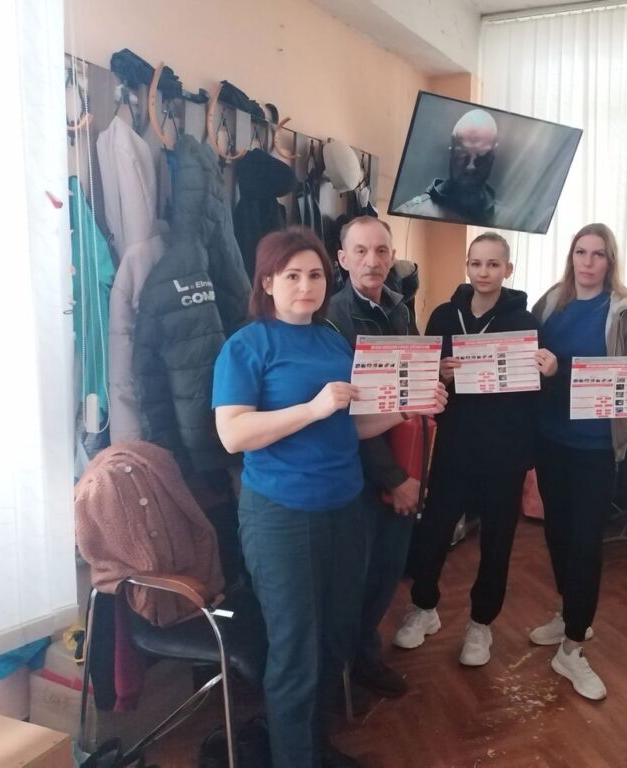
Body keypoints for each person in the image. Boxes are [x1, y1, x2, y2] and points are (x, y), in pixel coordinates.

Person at [212, 227, 445, 768]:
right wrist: (312, 409)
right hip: (282, 516)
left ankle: (313, 747)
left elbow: (351, 426)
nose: (305, 286)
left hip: (344, 508)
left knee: (336, 636)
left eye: (315, 275)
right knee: (296, 647)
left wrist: (405, 410)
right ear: (267, 282)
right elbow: (233, 434)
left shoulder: (332, 342)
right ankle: (294, 757)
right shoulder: (246, 345)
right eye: (291, 275)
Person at [393, 232, 558, 665]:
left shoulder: (525, 323)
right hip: (454, 447)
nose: (483, 272)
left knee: (497, 543)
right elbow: (423, 379)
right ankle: (424, 608)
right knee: (433, 533)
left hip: (505, 453)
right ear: (467, 266)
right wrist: (440, 375)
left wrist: (546, 373)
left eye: (493, 264)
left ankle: (481, 624)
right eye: (476, 263)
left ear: (508, 269)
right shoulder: (444, 315)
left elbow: (535, 392)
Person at [529, 223, 627, 701]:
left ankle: (573, 648)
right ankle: (570, 615)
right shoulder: (550, 303)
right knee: (557, 535)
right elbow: (526, 362)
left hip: (595, 446)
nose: (587, 262)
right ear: (571, 257)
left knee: (586, 543)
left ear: (610, 261)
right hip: (550, 440)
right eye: (581, 252)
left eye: (598, 254)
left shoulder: (626, 311)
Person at [326, 216, 420, 705]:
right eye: (360, 251)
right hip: (362, 474)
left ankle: (364, 657)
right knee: (356, 578)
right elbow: (352, 413)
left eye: (381, 250)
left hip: (404, 461)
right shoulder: (332, 317)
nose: (372, 260)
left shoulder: (401, 308)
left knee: (387, 571)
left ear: (392, 255)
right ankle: (343, 670)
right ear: (342, 258)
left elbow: (413, 386)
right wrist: (394, 477)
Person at [394, 109, 499, 225]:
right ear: (451, 154)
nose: (471, 166)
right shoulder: (410, 212)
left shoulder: (507, 217)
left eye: (482, 157)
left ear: (492, 157)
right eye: (462, 154)